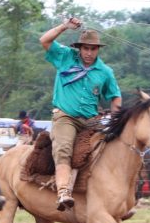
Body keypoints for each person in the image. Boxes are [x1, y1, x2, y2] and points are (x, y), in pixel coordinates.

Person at [40, 17, 122, 210]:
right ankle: (63, 192)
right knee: (63, 149)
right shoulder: (65, 57)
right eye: (85, 48)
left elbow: (115, 96)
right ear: (79, 48)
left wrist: (115, 120)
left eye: (93, 49)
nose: (89, 53)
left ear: (98, 50)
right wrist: (64, 27)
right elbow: (44, 40)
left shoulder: (105, 71)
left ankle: (116, 195)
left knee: (113, 145)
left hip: (92, 119)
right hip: (65, 116)